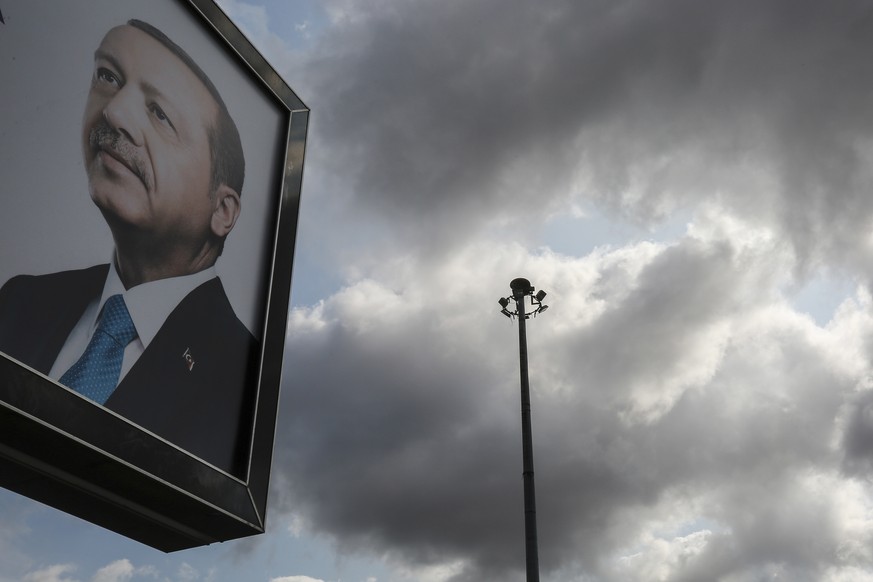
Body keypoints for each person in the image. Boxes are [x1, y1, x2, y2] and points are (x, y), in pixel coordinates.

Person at [0, 19, 257, 477]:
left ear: (222, 211)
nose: (114, 112)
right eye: (108, 77)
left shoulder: (245, 381)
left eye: (160, 113)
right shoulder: (19, 302)